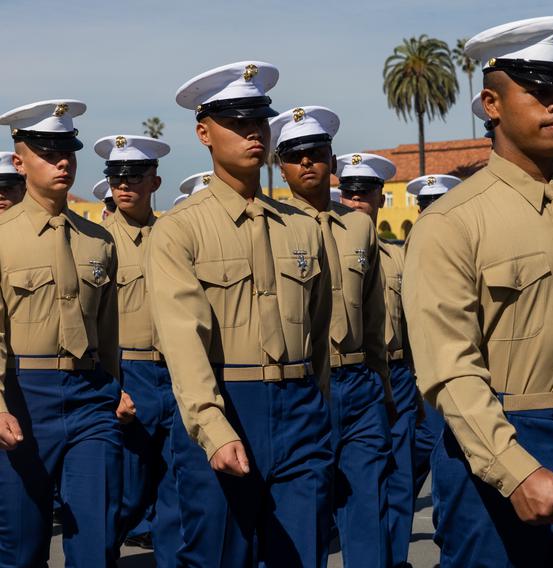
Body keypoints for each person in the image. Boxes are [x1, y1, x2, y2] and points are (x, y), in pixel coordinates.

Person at [403, 16, 553, 566]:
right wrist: (516, 469)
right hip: (499, 441)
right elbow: (448, 368)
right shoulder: (452, 223)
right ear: (491, 103)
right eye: (538, 92)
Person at [147, 61, 334, 567]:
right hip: (227, 403)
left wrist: (316, 406)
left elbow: (318, 331)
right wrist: (212, 426)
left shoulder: (302, 227)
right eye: (235, 121)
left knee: (304, 555)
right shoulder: (180, 230)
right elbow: (184, 340)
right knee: (219, 555)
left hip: (300, 410)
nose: (253, 131)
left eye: (259, 119)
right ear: (204, 133)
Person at [270, 105, 394, 568]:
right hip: (303, 385)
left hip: (358, 383)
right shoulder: (272, 227)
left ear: (333, 161)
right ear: (280, 166)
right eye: (294, 155)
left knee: (367, 510)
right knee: (304, 516)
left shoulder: (359, 226)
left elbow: (376, 313)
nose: (307, 163)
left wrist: (381, 384)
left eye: (316, 153)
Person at [0, 99, 122, 566]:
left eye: (67, 150)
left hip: (91, 395)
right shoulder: (4, 237)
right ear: (20, 161)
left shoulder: (99, 240)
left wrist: (115, 389)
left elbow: (108, 331)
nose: (63, 161)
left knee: (97, 542)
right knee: (23, 546)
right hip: (24, 397)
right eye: (47, 152)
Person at [95, 134, 182, 563]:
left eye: (133, 177)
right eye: (115, 177)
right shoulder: (96, 240)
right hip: (127, 374)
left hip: (176, 375)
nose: (123, 186)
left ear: (155, 181)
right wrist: (110, 387)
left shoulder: (175, 235)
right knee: (124, 494)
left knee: (175, 492)